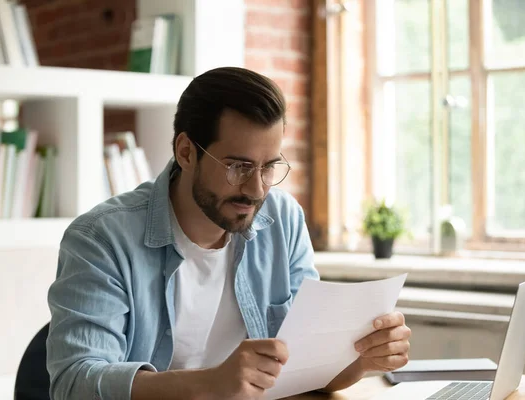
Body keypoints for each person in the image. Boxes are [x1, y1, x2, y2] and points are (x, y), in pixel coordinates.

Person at [46, 66, 411, 400]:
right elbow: (74, 383)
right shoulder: (101, 238)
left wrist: (362, 358)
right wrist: (211, 383)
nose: (256, 189)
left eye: (269, 167)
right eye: (238, 166)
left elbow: (305, 372)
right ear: (186, 152)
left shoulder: (282, 219)